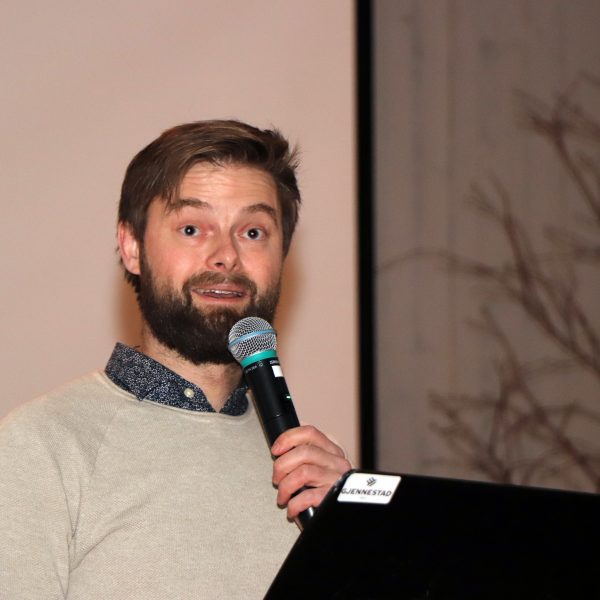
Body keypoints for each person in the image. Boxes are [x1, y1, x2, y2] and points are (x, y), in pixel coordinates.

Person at [0, 120, 352, 599]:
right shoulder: (40, 447)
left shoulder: (311, 465)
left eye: (253, 232)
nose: (226, 256)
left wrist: (358, 533)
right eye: (191, 229)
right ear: (132, 248)